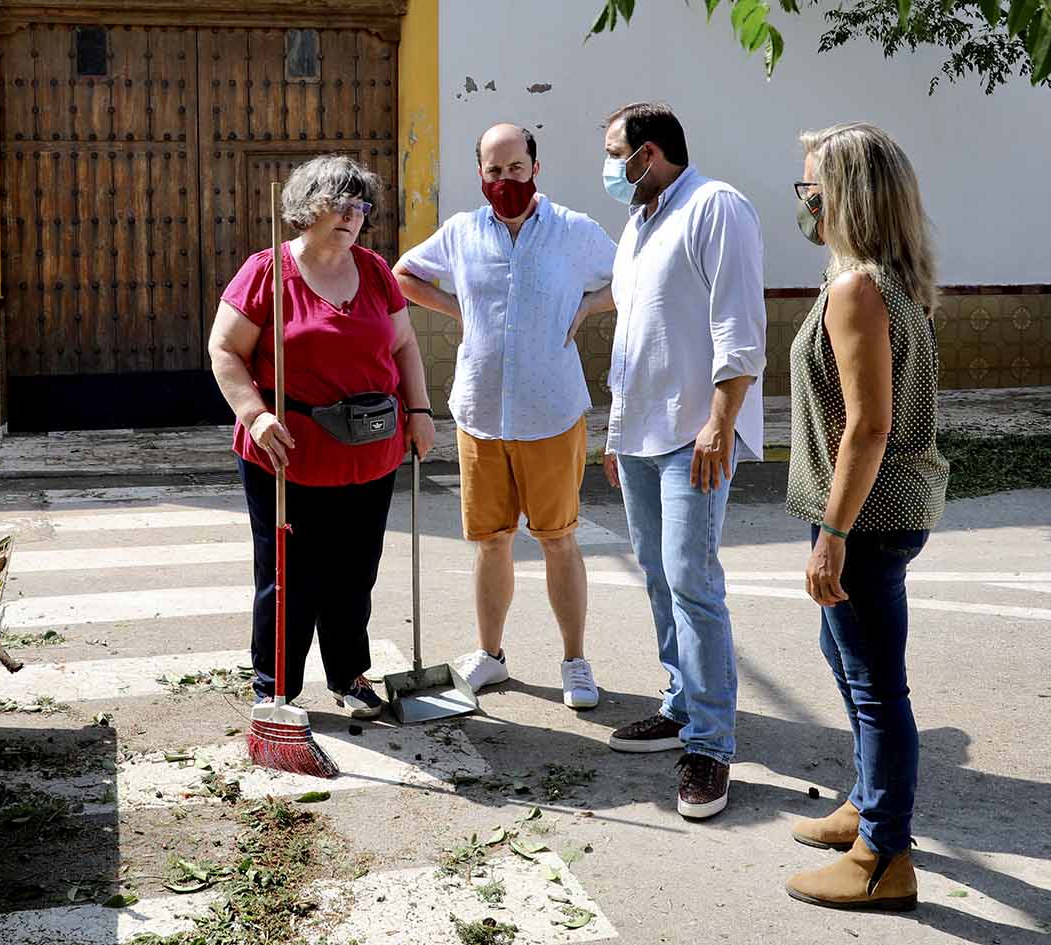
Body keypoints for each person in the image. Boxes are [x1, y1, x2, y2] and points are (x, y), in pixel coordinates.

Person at [394, 123, 617, 709]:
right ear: (481, 176)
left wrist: (590, 305)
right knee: (491, 542)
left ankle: (575, 661)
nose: (505, 180)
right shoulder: (462, 232)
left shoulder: (573, 231)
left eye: (515, 168)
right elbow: (404, 274)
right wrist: (457, 310)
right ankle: (491, 655)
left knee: (558, 541)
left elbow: (633, 277)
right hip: (482, 412)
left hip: (551, 412)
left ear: (535, 168)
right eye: (494, 171)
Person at [783, 123, 948, 911]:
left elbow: (867, 425)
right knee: (846, 656)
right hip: (882, 508)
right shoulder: (881, 278)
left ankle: (883, 855)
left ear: (844, 194)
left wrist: (832, 538)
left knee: (878, 686)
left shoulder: (857, 289)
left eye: (810, 184)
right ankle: (862, 800)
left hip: (866, 517)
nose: (803, 197)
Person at [207, 154, 436, 719]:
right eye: (340, 203)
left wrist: (421, 411)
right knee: (288, 577)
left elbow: (404, 346)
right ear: (306, 207)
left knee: (355, 571)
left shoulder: (377, 271)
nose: (353, 215)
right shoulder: (266, 272)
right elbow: (225, 351)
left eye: (360, 206)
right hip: (289, 451)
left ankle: (349, 675)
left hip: (372, 447)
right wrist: (255, 416)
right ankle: (275, 687)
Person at [599, 103, 766, 820]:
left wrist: (718, 424)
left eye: (614, 153)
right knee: (660, 575)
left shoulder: (714, 206)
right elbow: (632, 340)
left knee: (693, 581)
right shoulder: (638, 222)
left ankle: (710, 743)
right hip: (639, 433)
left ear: (650, 152)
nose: (607, 168)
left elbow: (738, 323)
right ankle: (679, 702)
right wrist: (613, 431)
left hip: (692, 434)